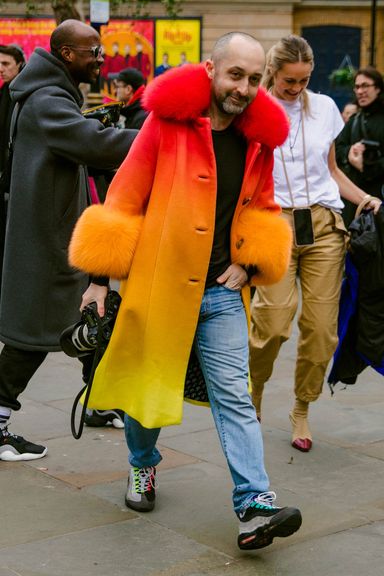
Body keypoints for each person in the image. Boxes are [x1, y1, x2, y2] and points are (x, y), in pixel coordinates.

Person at [69, 31, 303, 551]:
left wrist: (251, 262)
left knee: (235, 397)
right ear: (211, 68)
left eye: (253, 78)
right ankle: (142, 465)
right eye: (234, 75)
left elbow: (262, 207)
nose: (243, 88)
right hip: (158, 284)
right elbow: (124, 197)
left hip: (221, 291)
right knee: (146, 396)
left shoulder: (260, 137)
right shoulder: (166, 122)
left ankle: (253, 503)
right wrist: (100, 279)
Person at [0, 19, 137, 461]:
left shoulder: (45, 94)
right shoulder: (46, 100)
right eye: (91, 51)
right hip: (47, 241)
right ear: (65, 55)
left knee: (89, 319)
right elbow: (93, 144)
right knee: (33, 336)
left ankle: (99, 398)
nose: (101, 58)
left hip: (56, 236)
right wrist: (160, 139)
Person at [249, 35, 381, 454]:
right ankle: (252, 392)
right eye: (290, 81)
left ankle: (302, 407)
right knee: (271, 321)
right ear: (273, 72)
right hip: (275, 224)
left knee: (323, 331)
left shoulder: (323, 107)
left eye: (304, 80)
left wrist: (364, 199)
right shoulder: (253, 109)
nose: (297, 88)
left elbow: (332, 172)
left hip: (325, 225)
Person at [336, 67, 384, 227]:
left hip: (379, 198)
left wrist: (367, 165)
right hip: (354, 201)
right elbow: (337, 150)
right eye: (357, 87)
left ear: (377, 88)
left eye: (365, 86)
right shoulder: (355, 120)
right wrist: (349, 153)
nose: (360, 91)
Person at [0, 44, 26, 288]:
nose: (1, 68)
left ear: (20, 64)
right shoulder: (6, 90)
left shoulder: (23, 94)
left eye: (6, 64)